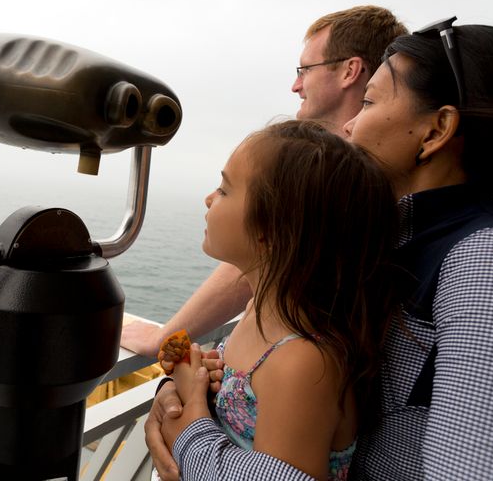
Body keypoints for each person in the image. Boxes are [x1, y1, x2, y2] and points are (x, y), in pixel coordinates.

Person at [151, 20, 493, 480]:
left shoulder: (488, 259)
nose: (349, 124)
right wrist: (177, 393)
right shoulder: (374, 240)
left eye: (369, 102)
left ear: (436, 129)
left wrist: (193, 436)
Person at [120, 5, 408, 358]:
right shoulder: (387, 172)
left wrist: (163, 337)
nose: (296, 84)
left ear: (350, 71)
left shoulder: (337, 181)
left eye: (305, 69)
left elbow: (259, 258)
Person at [153, 120, 399, 480]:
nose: (209, 198)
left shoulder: (302, 364)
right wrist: (198, 380)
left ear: (272, 228)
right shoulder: (257, 312)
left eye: (224, 189)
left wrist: (193, 411)